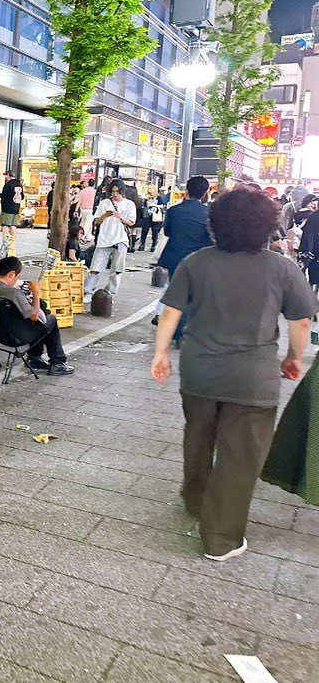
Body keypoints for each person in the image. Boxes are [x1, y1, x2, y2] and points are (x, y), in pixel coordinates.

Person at [151, 188, 317, 561]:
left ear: (216, 224)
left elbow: (170, 313)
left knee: (198, 437)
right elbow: (301, 321)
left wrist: (162, 354)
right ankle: (221, 538)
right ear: (267, 226)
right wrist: (293, 357)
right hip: (252, 378)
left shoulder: (197, 262)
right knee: (240, 456)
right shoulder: (281, 267)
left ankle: (195, 501)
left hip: (199, 373)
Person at [0, 257, 74, 376]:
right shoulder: (13, 293)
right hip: (18, 336)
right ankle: (57, 362)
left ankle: (35, 358)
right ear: (11, 274)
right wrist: (36, 293)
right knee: (50, 319)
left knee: (39, 320)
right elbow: (34, 315)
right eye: (17, 276)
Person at [152, 176, 212, 328]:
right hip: (199, 260)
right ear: (205, 193)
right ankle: (183, 327)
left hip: (174, 257)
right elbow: (211, 237)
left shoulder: (174, 211)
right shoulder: (209, 213)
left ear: (186, 191)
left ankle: (173, 324)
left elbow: (167, 232)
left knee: (175, 291)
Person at [83, 180, 136, 302]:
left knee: (116, 270)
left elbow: (132, 223)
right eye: (112, 191)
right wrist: (105, 215)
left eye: (118, 192)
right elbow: (97, 221)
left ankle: (110, 294)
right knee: (95, 268)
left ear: (123, 191)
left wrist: (120, 217)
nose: (115, 194)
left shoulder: (129, 204)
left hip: (121, 240)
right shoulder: (104, 203)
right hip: (104, 240)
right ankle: (88, 292)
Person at [0, 169, 24, 248]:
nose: (5, 177)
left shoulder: (8, 185)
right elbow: (22, 196)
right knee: (13, 226)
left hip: (7, 208)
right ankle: (12, 244)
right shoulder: (19, 184)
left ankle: (5, 245)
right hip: (16, 208)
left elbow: (5, 196)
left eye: (5, 175)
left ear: (8, 175)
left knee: (5, 226)